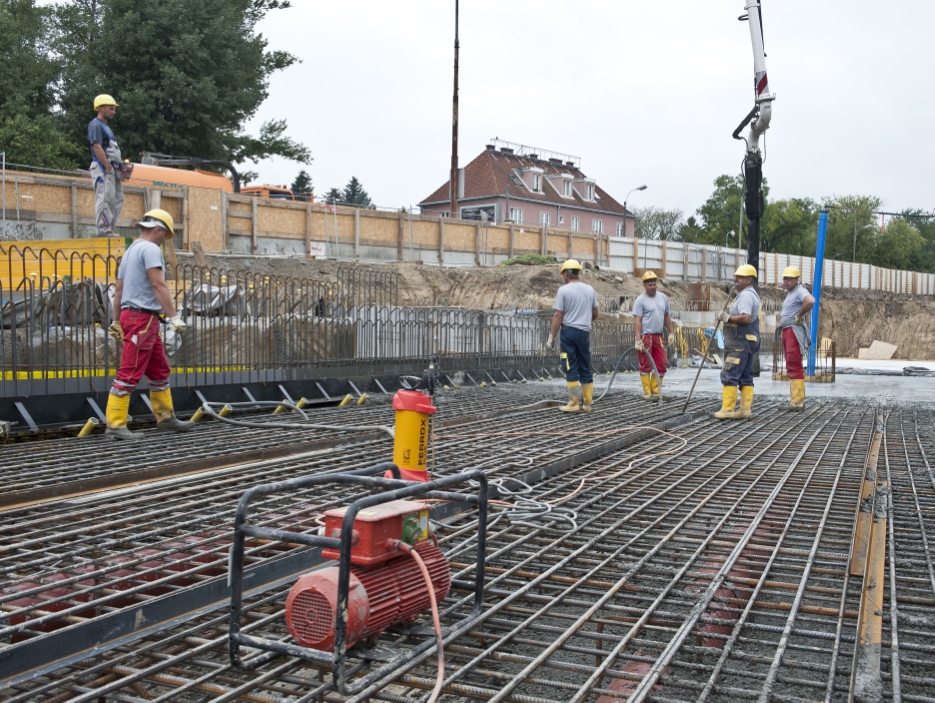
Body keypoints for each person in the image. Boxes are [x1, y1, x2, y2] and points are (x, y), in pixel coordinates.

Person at [105, 209, 192, 439]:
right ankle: (115, 425)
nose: (164, 240)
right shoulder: (151, 249)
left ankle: (165, 418)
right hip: (142, 319)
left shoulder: (131, 251)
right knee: (130, 369)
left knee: (159, 369)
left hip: (136, 317)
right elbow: (158, 285)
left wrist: (116, 320)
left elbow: (119, 291)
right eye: (165, 235)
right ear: (158, 229)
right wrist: (174, 316)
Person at [547, 259, 599, 412]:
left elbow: (558, 315)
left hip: (568, 333)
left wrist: (551, 337)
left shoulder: (563, 290)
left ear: (566, 274)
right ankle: (588, 404)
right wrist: (583, 321)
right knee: (585, 366)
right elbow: (595, 313)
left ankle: (574, 403)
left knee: (570, 366)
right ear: (577, 272)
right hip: (584, 333)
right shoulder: (590, 289)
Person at [710, 264, 761, 420]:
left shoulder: (746, 295)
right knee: (746, 376)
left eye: (739, 277)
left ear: (749, 280)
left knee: (729, 372)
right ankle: (745, 410)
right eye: (736, 277)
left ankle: (727, 409)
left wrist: (727, 318)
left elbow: (745, 317)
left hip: (740, 342)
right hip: (748, 341)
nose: (735, 279)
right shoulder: (749, 295)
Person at [632, 270, 675, 401]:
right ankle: (647, 393)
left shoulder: (662, 298)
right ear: (644, 285)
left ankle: (656, 392)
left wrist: (671, 332)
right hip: (646, 337)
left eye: (654, 284)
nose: (653, 287)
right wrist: (638, 339)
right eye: (650, 285)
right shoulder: (640, 300)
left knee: (661, 364)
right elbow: (637, 320)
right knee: (646, 365)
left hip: (659, 336)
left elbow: (666, 316)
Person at [88, 94, 124, 235]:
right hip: (102, 168)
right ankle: (103, 230)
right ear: (101, 109)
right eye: (111, 109)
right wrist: (108, 167)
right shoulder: (95, 125)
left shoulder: (106, 128)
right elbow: (97, 147)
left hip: (111, 170)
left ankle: (110, 229)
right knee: (105, 199)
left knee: (117, 199)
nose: (113, 112)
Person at [779, 266, 814, 411]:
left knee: (794, 362)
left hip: (793, 329)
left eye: (789, 279)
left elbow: (810, 301)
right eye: (785, 279)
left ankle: (798, 401)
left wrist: (799, 315)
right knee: (791, 363)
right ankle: (795, 399)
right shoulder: (792, 293)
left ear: (797, 279)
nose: (786, 281)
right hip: (788, 329)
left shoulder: (799, 291)